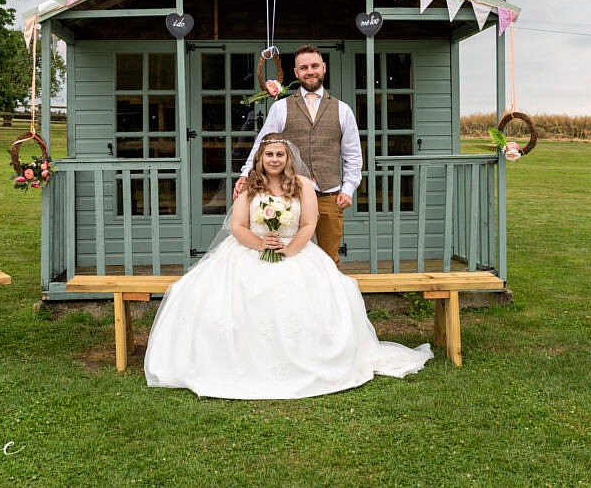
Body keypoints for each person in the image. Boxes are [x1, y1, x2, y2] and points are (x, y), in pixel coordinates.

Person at [144, 133, 432, 399]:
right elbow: (238, 226)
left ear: (288, 158)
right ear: (260, 158)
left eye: (280, 154)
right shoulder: (249, 186)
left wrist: (290, 249)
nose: (274, 160)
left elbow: (309, 223)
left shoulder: (303, 185)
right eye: (269, 154)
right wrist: (261, 245)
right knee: (212, 293)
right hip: (250, 249)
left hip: (295, 250)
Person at [234, 45, 362, 265]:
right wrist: (246, 173)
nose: (309, 71)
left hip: (327, 195)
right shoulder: (281, 107)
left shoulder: (343, 110)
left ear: (323, 68)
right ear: (296, 73)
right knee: (288, 261)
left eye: (314, 66)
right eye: (304, 68)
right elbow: (262, 145)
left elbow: (353, 155)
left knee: (328, 260)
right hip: (288, 196)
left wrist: (348, 188)